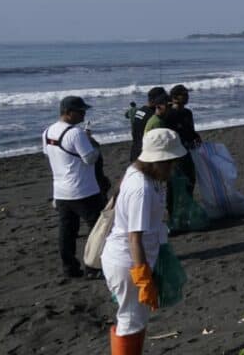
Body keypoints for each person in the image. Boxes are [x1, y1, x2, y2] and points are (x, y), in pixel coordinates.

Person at [101, 128, 186, 353]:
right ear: (158, 161)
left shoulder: (135, 171)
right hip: (127, 262)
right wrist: (143, 278)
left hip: (126, 258)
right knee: (130, 320)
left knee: (133, 319)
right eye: (170, 162)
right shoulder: (142, 189)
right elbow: (134, 238)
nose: (173, 168)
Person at [43, 96, 108, 278]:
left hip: (61, 191)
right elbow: (90, 158)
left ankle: (69, 267)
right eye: (80, 111)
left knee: (67, 231)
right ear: (68, 113)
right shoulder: (75, 133)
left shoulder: (47, 131)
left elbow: (48, 154)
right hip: (83, 190)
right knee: (97, 229)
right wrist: (93, 144)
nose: (83, 113)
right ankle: (93, 266)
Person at [165, 84, 200, 208]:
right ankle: (172, 210)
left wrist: (196, 136)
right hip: (174, 154)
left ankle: (187, 205)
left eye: (187, 94)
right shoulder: (169, 114)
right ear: (174, 98)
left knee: (190, 180)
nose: (186, 97)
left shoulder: (187, 112)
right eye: (183, 95)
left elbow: (190, 130)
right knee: (174, 183)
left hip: (188, 151)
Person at [130, 87, 167, 161]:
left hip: (135, 150)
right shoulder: (153, 116)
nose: (165, 102)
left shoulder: (140, 111)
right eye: (163, 100)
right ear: (156, 100)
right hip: (145, 154)